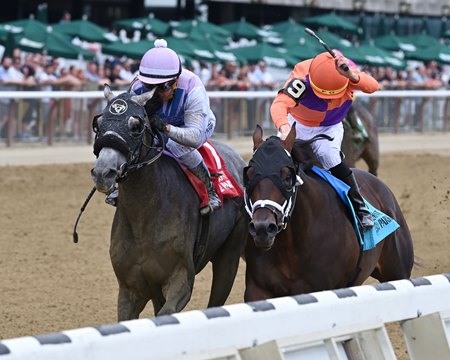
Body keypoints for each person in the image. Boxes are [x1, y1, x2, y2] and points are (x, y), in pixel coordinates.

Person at [107, 39, 221, 215]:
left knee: (176, 145)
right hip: (160, 126)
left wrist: (166, 128)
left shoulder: (192, 87)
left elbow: (195, 137)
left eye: (162, 87)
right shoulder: (136, 88)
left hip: (195, 127)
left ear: (175, 81)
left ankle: (210, 189)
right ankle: (119, 185)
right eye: (149, 86)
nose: (154, 92)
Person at [270, 51, 380, 232]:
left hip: (329, 126)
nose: (327, 100)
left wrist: (353, 75)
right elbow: (279, 104)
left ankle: (360, 206)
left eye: (331, 96)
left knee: (330, 156)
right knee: (277, 160)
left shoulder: (347, 73)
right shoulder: (301, 77)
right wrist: (284, 127)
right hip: (296, 124)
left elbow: (374, 86)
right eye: (323, 95)